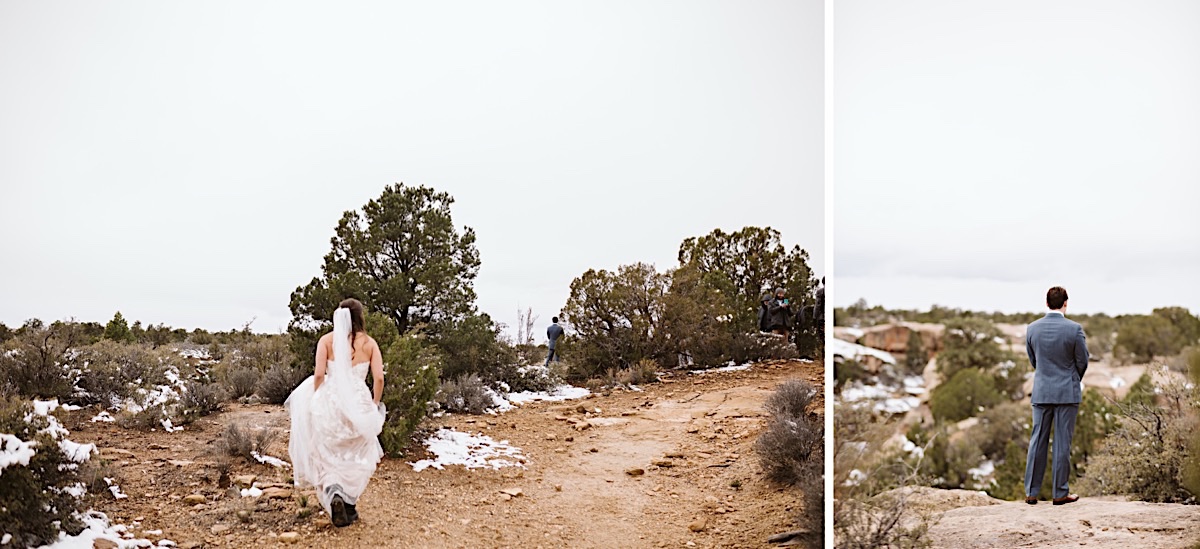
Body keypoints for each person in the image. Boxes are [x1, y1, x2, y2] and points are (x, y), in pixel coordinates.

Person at [285, 298, 386, 527]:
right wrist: (374, 403)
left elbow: (319, 374)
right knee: (358, 454)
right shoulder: (370, 343)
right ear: (360, 317)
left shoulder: (326, 341)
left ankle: (334, 492)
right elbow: (379, 377)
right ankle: (348, 504)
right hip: (359, 400)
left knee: (326, 452)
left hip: (331, 399)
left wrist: (318, 397)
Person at [1023, 286, 1089, 506]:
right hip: (1067, 393)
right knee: (1062, 443)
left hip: (1041, 391)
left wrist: (1046, 375)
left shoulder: (1032, 328)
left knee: (1037, 441)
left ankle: (1031, 492)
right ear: (1065, 303)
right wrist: (1071, 379)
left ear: (1046, 302)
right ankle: (1060, 493)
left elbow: (1035, 361)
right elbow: (1083, 361)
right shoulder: (1074, 329)